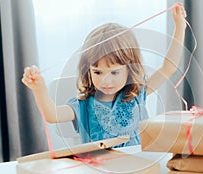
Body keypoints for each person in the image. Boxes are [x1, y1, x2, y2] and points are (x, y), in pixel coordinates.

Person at [22, 3, 187, 147]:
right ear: (88, 70)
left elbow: (169, 67)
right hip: (101, 173)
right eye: (98, 72)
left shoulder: (136, 95)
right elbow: (52, 115)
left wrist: (179, 27)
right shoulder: (83, 105)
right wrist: (39, 89)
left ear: (129, 70)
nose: (105, 80)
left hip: (138, 166)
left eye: (114, 72)